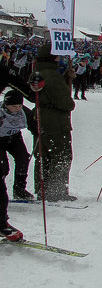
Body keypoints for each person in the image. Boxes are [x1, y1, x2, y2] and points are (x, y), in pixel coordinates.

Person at [32, 44, 75, 202]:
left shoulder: (37, 73)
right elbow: (65, 102)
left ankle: (41, 189)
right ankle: (56, 191)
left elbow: (45, 91)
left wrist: (66, 77)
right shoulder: (53, 76)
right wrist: (65, 84)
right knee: (61, 155)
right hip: (56, 121)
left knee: (42, 156)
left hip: (40, 117)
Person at [1, 89, 37, 242]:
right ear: (6, 104)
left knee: (23, 158)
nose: (17, 109)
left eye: (19, 106)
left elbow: (33, 124)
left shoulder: (24, 112)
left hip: (14, 137)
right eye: (14, 106)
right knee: (3, 168)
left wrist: (38, 130)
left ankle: (19, 189)